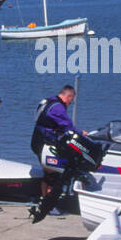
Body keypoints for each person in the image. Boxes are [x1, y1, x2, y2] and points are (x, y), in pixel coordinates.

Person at [29, 82, 81, 222]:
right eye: (72, 99)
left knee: (48, 171)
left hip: (37, 139)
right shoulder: (58, 107)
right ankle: (49, 206)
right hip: (43, 142)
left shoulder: (48, 100)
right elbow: (67, 125)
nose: (71, 103)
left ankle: (45, 201)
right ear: (68, 96)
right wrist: (81, 134)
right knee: (53, 173)